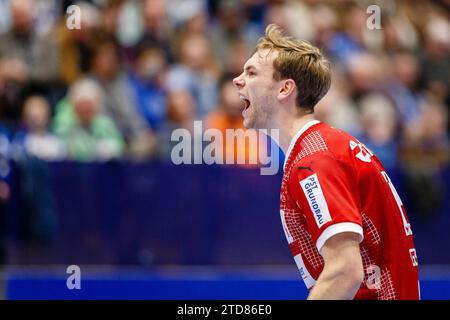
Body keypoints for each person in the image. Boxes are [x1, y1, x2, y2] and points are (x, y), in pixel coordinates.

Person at [232, 24, 419, 300]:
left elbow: (345, 270)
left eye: (251, 73)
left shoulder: (315, 159)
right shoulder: (324, 147)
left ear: (285, 89)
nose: (238, 80)